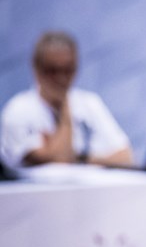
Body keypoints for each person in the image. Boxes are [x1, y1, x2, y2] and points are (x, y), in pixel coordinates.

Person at [0, 31, 133, 169]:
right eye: (53, 70)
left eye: (68, 70)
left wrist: (80, 158)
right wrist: (65, 112)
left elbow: (125, 157)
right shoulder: (17, 110)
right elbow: (61, 161)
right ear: (37, 69)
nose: (61, 79)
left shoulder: (90, 103)